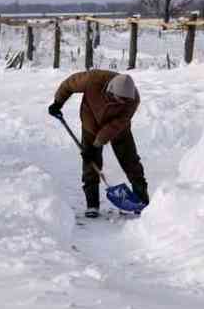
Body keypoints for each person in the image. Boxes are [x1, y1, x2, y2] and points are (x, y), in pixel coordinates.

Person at [48, 69, 149, 218]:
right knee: (90, 164)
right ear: (111, 90)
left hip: (119, 130)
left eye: (125, 100)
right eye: (119, 99)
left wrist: (97, 145)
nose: (122, 102)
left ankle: (141, 201)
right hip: (90, 123)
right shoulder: (93, 79)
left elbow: (116, 124)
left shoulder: (133, 99)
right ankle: (92, 204)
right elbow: (69, 84)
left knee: (131, 162)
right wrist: (58, 102)